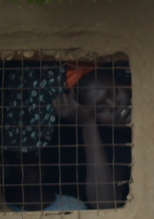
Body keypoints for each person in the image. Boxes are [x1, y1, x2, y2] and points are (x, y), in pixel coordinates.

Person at [51, 65, 133, 209]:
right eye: (100, 109)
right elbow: (106, 204)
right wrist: (87, 122)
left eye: (114, 92)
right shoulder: (113, 141)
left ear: (124, 84)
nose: (113, 105)